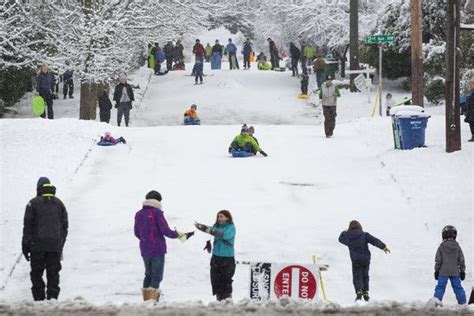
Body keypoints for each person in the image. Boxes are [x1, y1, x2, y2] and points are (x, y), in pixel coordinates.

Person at [134, 190, 193, 302]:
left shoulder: (138, 214)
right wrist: (181, 235)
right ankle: (152, 302)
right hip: (157, 249)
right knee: (157, 276)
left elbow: (136, 232)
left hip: (145, 249)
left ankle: (146, 300)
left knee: (148, 274)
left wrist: (146, 241)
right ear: (158, 200)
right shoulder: (157, 213)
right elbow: (166, 231)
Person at [22, 177, 68, 301]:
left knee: (37, 274)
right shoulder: (59, 204)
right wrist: (60, 244)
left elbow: (28, 226)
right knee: (53, 274)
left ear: (38, 188)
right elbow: (65, 227)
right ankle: (52, 302)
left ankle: (39, 302)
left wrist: (25, 246)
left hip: (37, 247)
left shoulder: (32, 203)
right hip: (54, 247)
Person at [338, 220, 390, 302]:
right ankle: (366, 294)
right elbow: (374, 241)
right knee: (365, 275)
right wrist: (383, 247)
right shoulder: (364, 235)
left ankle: (359, 294)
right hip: (366, 259)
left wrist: (344, 231)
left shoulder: (348, 236)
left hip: (356, 260)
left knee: (357, 276)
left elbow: (340, 239)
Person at [194, 210, 236, 301]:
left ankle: (227, 300)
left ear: (227, 217)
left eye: (221, 216)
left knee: (226, 281)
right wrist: (202, 227)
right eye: (218, 216)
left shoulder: (231, 227)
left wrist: (211, 230)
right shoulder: (216, 226)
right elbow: (211, 230)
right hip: (216, 258)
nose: (219, 218)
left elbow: (225, 236)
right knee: (215, 280)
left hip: (227, 259)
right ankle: (219, 299)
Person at [431, 225, 466, 305]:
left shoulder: (441, 247)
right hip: (455, 272)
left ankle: (436, 302)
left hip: (443, 272)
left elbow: (438, 261)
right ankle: (463, 303)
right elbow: (461, 260)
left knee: (440, 287)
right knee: (458, 288)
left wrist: (436, 271)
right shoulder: (457, 247)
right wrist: (462, 271)